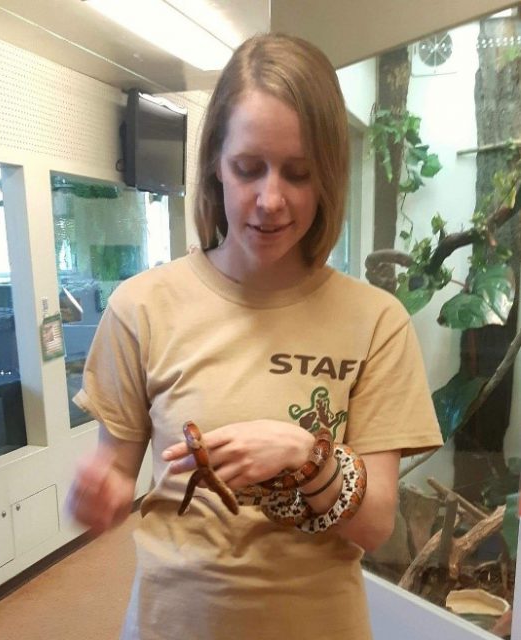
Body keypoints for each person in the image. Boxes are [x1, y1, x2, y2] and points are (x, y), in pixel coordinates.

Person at [67, 33, 443, 640]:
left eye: (298, 174)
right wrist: (96, 493)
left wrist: (304, 454)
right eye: (248, 168)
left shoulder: (376, 321)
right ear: (215, 162)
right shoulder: (141, 306)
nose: (270, 200)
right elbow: (114, 469)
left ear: (328, 178)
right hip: (175, 624)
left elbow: (374, 525)